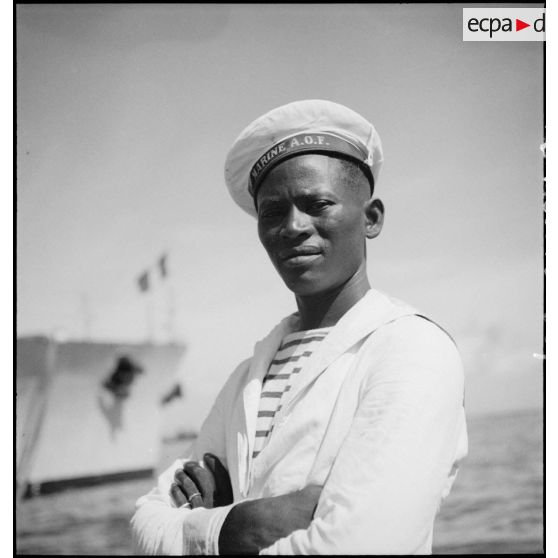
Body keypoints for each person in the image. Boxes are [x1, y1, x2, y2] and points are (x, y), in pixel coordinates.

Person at [131, 99, 468, 555]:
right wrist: (240, 524)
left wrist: (200, 527)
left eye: (318, 204)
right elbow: (145, 521)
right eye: (273, 212)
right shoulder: (247, 377)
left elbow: (362, 546)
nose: (293, 226)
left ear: (371, 218)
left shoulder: (410, 349)